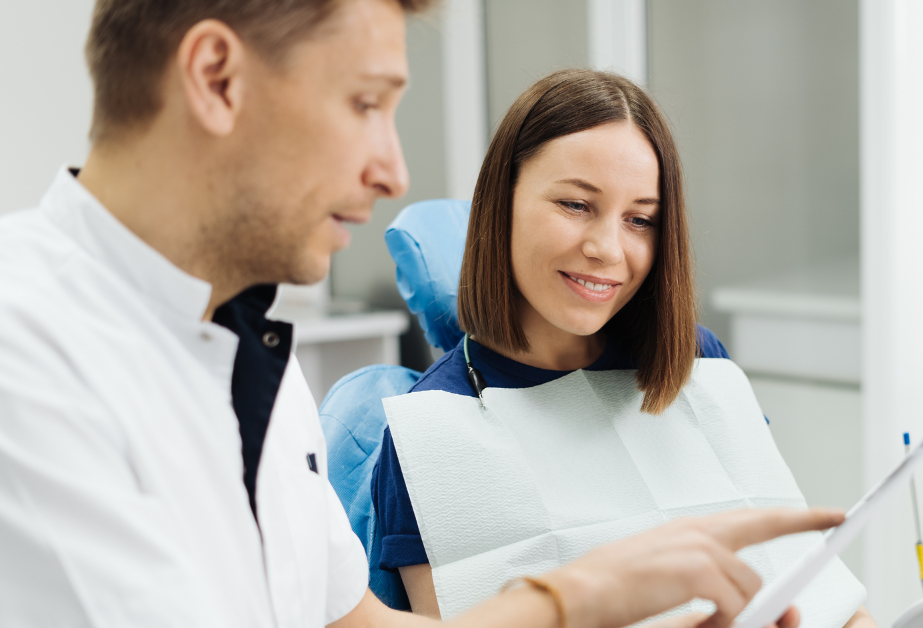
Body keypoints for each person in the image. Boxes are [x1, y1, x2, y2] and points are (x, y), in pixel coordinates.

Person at [0, 0, 841, 627]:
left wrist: (591, 595)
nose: (394, 171)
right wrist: (577, 597)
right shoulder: (26, 347)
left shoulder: (249, 357)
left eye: (639, 218)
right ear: (217, 79)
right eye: (366, 104)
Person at [373, 69, 878, 628]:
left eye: (640, 219)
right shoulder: (429, 438)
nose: (607, 248)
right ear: (502, 199)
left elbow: (822, 595)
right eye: (575, 205)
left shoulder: (698, 362)